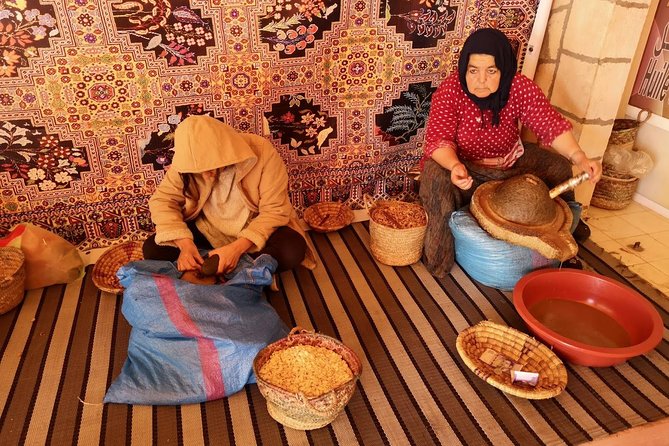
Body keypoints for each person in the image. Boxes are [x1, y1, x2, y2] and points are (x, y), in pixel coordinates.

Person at [420, 27, 602, 279]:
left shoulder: (518, 88)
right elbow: (438, 139)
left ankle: (566, 229)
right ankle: (439, 257)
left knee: (558, 166)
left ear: (504, 70)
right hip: (467, 170)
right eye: (473, 70)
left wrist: (579, 157)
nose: (480, 80)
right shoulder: (451, 91)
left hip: (510, 165)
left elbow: (548, 123)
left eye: (491, 71)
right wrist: (454, 167)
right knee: (433, 174)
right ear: (464, 69)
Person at [143, 114, 316, 277]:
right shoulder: (186, 159)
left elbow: (275, 210)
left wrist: (236, 249)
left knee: (292, 250)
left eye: (210, 168)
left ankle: (218, 267)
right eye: (198, 172)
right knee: (153, 249)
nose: (205, 176)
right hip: (209, 230)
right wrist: (185, 245)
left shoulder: (262, 151)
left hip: (255, 228)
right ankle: (236, 270)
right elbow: (163, 201)